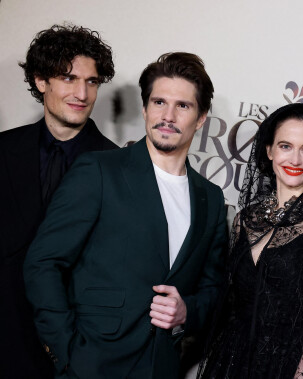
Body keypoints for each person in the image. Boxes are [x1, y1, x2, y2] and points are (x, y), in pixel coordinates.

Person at [23, 52, 227, 379]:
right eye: (159, 102)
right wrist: (67, 353)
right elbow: (43, 263)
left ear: (201, 117)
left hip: (162, 366)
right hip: (92, 365)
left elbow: (214, 290)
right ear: (145, 109)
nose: (168, 115)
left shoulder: (211, 198)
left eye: (183, 106)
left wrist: (188, 310)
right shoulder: (99, 171)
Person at [0, 24, 116, 379]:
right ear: (40, 81)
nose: (82, 93)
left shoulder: (118, 168)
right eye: (68, 78)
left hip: (70, 351)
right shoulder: (3, 149)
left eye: (92, 81)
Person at [197, 103, 303, 378]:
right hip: (229, 360)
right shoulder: (245, 218)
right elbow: (228, 306)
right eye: (285, 146)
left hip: (284, 367)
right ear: (269, 150)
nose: (295, 160)